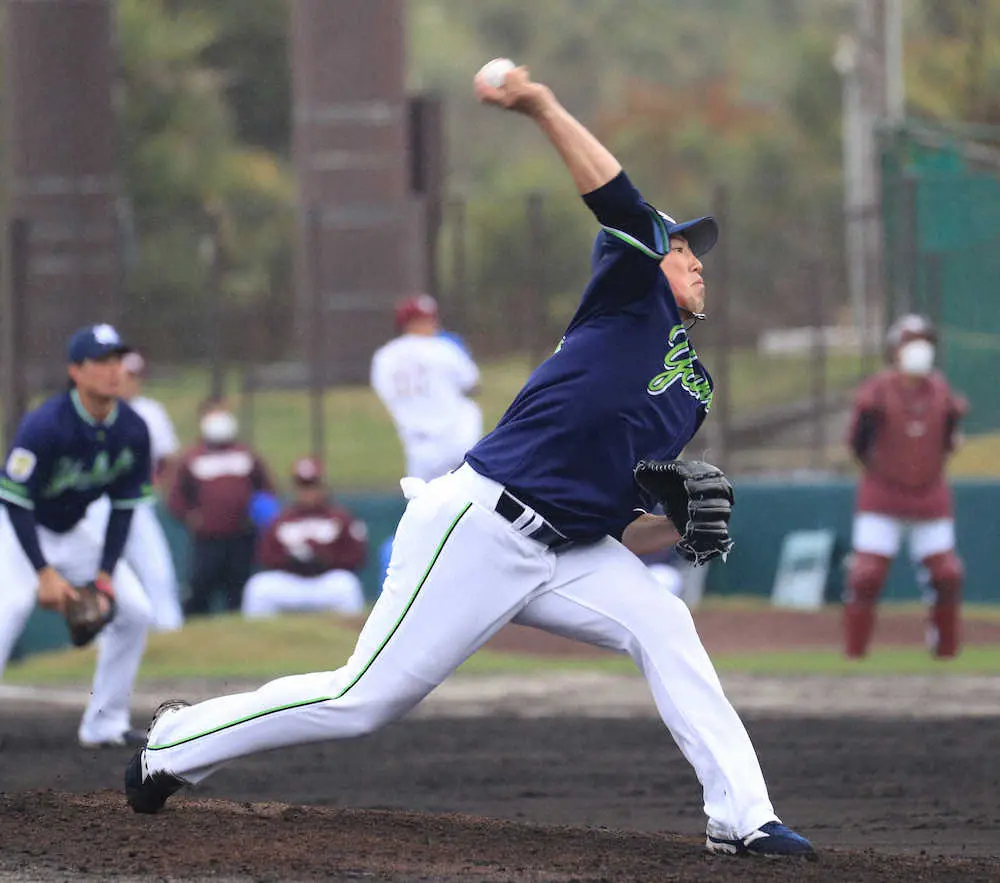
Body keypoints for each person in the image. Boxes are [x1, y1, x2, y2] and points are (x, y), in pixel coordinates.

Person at [126, 64, 814, 860]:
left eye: (700, 252)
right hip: (479, 523)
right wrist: (542, 105)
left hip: (568, 547)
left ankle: (741, 815)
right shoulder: (631, 294)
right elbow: (615, 198)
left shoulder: (692, 390)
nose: (697, 260)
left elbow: (617, 510)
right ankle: (175, 741)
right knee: (362, 699)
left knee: (666, 624)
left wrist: (669, 518)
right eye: (685, 246)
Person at [0, 324, 154, 748]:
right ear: (76, 371)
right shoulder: (45, 424)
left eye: (116, 360)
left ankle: (105, 723)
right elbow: (15, 500)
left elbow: (123, 511)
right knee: (10, 607)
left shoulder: (133, 431)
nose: (112, 370)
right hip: (20, 529)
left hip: (72, 532)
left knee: (136, 610)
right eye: (100, 361)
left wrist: (104, 576)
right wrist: (43, 573)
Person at [844, 314, 968, 659]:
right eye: (911, 342)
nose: (919, 350)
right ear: (895, 350)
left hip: (930, 497)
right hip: (882, 496)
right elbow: (857, 442)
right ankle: (855, 654)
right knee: (866, 575)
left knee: (946, 574)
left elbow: (948, 441)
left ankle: (945, 650)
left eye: (924, 342)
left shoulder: (941, 391)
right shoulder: (877, 391)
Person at [87, 350, 184, 632]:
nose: (130, 382)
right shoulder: (94, 409)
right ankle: (99, 637)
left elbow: (168, 457)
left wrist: (158, 485)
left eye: (135, 377)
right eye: (126, 375)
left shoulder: (150, 411)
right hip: (97, 505)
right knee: (101, 573)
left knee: (157, 569)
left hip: (135, 502)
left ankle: (169, 630)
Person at [167, 397, 274, 616]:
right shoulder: (191, 458)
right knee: (200, 588)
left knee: (239, 590)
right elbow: (176, 497)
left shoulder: (246, 454)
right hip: (208, 540)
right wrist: (190, 517)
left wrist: (258, 515)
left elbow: (265, 489)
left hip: (241, 537)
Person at [371, 293, 483, 482]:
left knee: (422, 505)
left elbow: (385, 393)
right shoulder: (444, 348)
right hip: (458, 439)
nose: (431, 324)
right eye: (425, 319)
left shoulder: (384, 356)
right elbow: (472, 383)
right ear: (410, 322)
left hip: (419, 447)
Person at [242, 456, 369, 618]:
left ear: (322, 486)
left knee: (348, 586)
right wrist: (289, 562)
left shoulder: (341, 517)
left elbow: (358, 555)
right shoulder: (281, 519)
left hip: (325, 581)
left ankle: (351, 638)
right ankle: (257, 641)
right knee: (258, 587)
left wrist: (327, 560)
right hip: (291, 582)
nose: (308, 493)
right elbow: (264, 555)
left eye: (312, 486)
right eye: (303, 486)